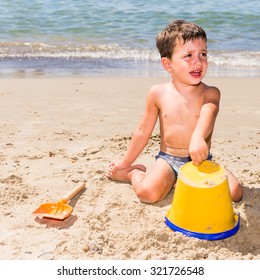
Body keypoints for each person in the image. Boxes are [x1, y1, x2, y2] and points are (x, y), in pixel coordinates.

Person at [106, 20, 243, 203]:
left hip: (199, 160)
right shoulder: (157, 93)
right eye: (188, 55)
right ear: (168, 65)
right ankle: (134, 175)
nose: (198, 61)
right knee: (147, 193)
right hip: (168, 161)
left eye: (203, 54)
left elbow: (208, 114)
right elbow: (142, 131)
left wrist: (198, 137)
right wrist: (125, 163)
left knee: (235, 192)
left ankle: (183, 184)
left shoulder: (210, 93)